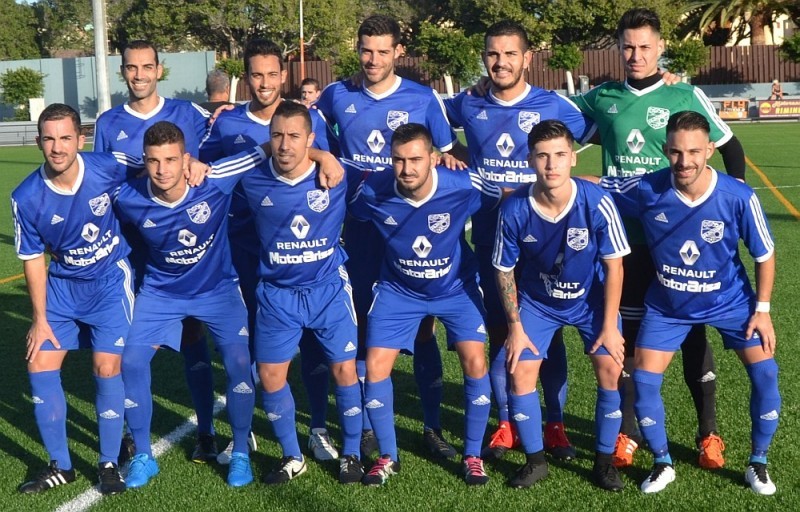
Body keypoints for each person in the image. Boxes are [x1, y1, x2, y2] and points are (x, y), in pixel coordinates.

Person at [570, 8, 748, 469]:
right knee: (626, 335)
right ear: (619, 48)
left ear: (660, 47)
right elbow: (554, 130)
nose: (636, 55)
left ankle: (708, 432)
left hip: (677, 240)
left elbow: (729, 146)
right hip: (623, 242)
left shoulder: (683, 93)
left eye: (645, 46)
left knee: (691, 335)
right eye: (628, 46)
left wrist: (730, 212)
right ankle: (627, 433)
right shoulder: (601, 99)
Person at [598, 111, 779, 495]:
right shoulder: (647, 189)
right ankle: (662, 462)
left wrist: (762, 311)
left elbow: (764, 254)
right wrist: (539, 180)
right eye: (677, 152)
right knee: (644, 381)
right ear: (665, 150)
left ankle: (758, 463)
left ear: (710, 149)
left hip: (730, 302)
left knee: (766, 375)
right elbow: (597, 184)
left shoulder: (738, 196)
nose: (685, 161)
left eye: (694, 151)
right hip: (667, 306)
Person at [445, 20, 594, 461]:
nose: (501, 62)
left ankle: (555, 425)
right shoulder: (468, 104)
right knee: (500, 331)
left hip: (546, 242)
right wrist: (452, 154)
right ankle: (508, 423)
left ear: (527, 58)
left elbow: (597, 129)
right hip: (491, 241)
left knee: (549, 338)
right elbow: (430, 124)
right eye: (493, 54)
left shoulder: (554, 105)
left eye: (510, 54)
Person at [315, 14, 458, 460]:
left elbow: (447, 157)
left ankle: (432, 427)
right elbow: (307, 138)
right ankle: (365, 429)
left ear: (398, 51)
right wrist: (322, 153)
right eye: (365, 49)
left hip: (414, 234)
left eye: (382, 51)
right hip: (360, 230)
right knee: (359, 328)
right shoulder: (335, 95)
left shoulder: (422, 98)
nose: (372, 59)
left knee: (421, 330)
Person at [199, 38, 341, 465]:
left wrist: (319, 152)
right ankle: (246, 430)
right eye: (256, 74)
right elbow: (205, 172)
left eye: (272, 74)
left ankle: (317, 425)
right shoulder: (225, 124)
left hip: (301, 253)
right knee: (247, 346)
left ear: (284, 76)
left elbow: (332, 164)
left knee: (314, 343)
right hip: (241, 250)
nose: (264, 83)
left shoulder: (311, 116)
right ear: (246, 77)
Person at [114, 121, 269, 488]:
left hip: (219, 290)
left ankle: (242, 453)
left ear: (186, 159)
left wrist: (322, 154)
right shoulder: (128, 196)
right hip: (161, 293)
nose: (162, 170)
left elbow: (266, 146)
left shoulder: (214, 178)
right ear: (144, 162)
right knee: (132, 362)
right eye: (153, 161)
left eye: (171, 160)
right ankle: (142, 457)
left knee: (239, 363)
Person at [350, 123, 500, 486]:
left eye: (416, 159)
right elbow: (355, 215)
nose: (407, 169)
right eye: (399, 160)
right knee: (375, 366)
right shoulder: (373, 190)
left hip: (455, 288)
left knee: (475, 360)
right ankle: (388, 455)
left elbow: (504, 195)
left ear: (434, 158)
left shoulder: (462, 183)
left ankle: (473, 455)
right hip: (399, 290)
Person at [93, 39, 221, 465]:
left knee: (193, 337)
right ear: (122, 71)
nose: (140, 74)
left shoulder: (188, 114)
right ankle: (135, 437)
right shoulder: (109, 123)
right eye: (132, 68)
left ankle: (206, 431)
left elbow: (228, 133)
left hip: (187, 253)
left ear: (160, 70)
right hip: (135, 252)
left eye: (147, 66)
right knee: (134, 347)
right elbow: (102, 187)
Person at [12, 103, 141, 495]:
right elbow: (33, 260)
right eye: (49, 138)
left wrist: (189, 162)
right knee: (39, 361)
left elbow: (156, 162)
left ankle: (107, 461)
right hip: (63, 288)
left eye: (65, 137)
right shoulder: (26, 196)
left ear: (80, 139)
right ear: (38, 142)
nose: (57, 147)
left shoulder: (108, 165)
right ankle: (61, 466)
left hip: (108, 282)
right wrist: (39, 319)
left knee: (106, 368)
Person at [494, 120, 629, 491]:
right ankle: (536, 461)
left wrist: (608, 326)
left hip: (591, 301)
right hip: (538, 303)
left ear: (572, 157)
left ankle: (604, 462)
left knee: (609, 368)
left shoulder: (597, 201)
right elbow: (504, 271)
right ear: (530, 160)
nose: (551, 165)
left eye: (559, 156)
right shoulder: (515, 208)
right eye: (542, 156)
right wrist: (516, 328)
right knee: (519, 373)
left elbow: (614, 265)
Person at [238, 101, 364, 485]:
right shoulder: (251, 180)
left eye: (294, 136)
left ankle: (353, 454)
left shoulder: (337, 176)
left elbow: (394, 180)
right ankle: (293, 455)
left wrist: (324, 156)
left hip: (328, 290)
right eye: (277, 135)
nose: (285, 144)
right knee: (271, 375)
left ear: (310, 139)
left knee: (344, 370)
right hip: (277, 296)